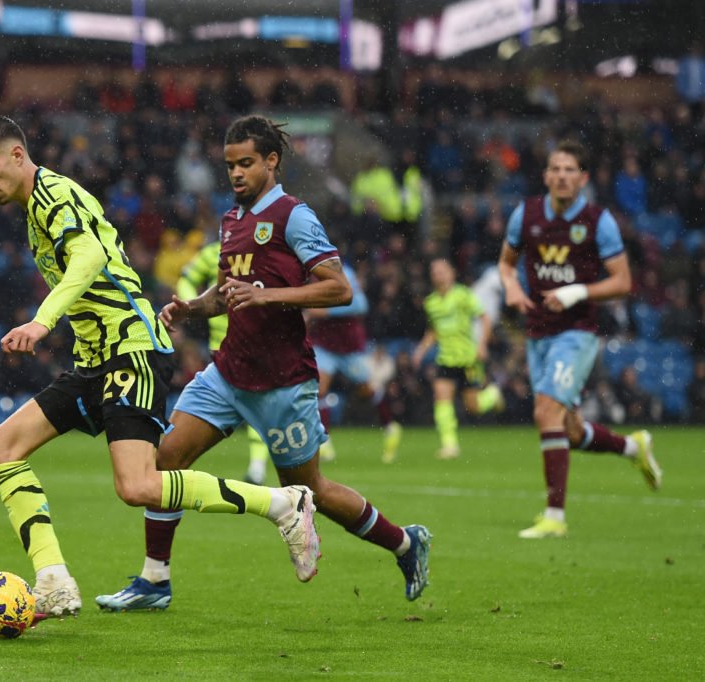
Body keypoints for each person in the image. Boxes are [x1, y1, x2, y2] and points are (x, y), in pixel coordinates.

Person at [0, 115, 321, 618]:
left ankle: (283, 504)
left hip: (131, 350)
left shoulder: (53, 196)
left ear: (17, 156)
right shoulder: (35, 207)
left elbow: (85, 256)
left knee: (138, 486)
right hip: (95, 360)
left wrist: (42, 321)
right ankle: (54, 579)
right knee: (0, 449)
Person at [95, 115, 431, 612]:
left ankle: (405, 542)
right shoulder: (232, 220)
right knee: (166, 461)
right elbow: (231, 295)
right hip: (228, 372)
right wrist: (192, 308)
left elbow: (339, 288)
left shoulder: (296, 216)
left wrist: (270, 296)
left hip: (282, 382)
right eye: (230, 164)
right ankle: (154, 581)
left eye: (246, 163)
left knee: (308, 489)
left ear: (271, 161)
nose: (236, 173)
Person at [497, 140, 662, 540]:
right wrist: (512, 290)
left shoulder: (597, 220)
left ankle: (554, 515)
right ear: (546, 175)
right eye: (555, 168)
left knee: (545, 414)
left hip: (577, 333)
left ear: (583, 178)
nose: (562, 176)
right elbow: (505, 263)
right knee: (568, 429)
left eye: (570, 169)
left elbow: (623, 281)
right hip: (537, 332)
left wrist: (577, 292)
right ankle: (632, 448)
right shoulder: (527, 214)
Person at [173, 239, 272, 484]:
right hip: (220, 343)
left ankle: (258, 466)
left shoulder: (263, 253)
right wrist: (189, 306)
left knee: (256, 401)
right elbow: (186, 279)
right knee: (253, 402)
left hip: (258, 342)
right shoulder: (211, 253)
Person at [306, 265, 403, 464]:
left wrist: (326, 312)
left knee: (366, 390)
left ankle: (390, 426)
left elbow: (361, 304)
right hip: (324, 343)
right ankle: (324, 441)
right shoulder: (309, 273)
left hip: (349, 346)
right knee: (319, 389)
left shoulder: (343, 272)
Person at [411, 257, 505, 460]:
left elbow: (485, 318)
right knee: (442, 397)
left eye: (442, 271)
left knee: (474, 406)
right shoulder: (431, 303)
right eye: (435, 272)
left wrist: (482, 345)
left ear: (452, 273)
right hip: (445, 358)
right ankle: (449, 445)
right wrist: (420, 351)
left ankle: (493, 394)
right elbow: (433, 331)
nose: (439, 275)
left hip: (467, 358)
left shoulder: (463, 295)